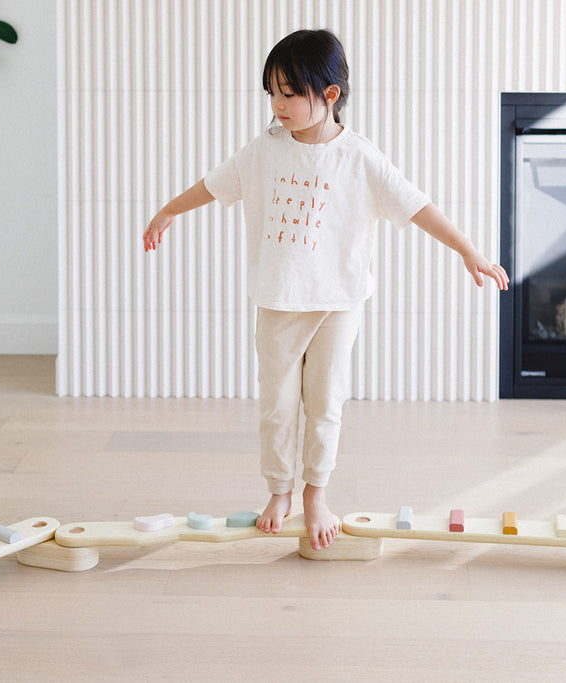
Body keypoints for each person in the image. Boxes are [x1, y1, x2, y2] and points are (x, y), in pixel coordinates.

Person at [143, 30, 508, 551]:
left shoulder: (360, 158)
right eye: (272, 93)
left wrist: (468, 250)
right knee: (277, 404)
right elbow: (213, 184)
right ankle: (279, 490)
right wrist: (169, 211)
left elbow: (417, 205)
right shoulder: (262, 151)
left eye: (290, 93)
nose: (278, 104)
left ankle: (316, 493)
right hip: (278, 301)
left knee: (325, 403)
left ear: (330, 95)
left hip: (338, 303)